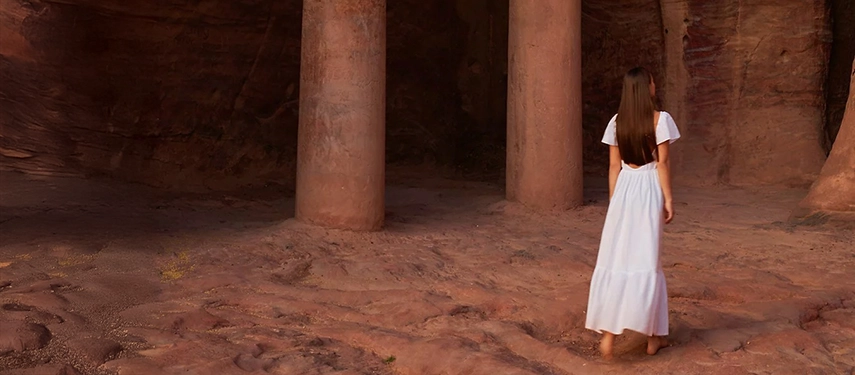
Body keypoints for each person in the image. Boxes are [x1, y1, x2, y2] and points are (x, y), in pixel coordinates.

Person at [584, 67, 681, 360]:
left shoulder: (616, 122)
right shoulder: (660, 120)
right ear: (646, 88)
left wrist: (616, 201)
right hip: (649, 186)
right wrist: (668, 198)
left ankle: (609, 336)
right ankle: (653, 337)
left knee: (617, 258)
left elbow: (614, 166)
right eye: (652, 81)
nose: (654, 84)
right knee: (647, 258)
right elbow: (662, 164)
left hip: (624, 187)